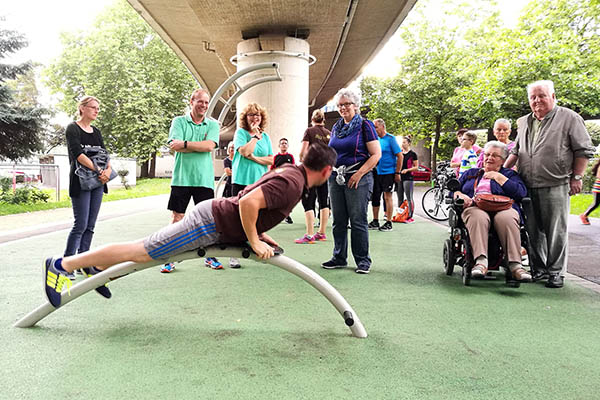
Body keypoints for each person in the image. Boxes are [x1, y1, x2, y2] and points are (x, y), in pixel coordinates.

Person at [43, 144, 338, 308]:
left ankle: (93, 271)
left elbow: (251, 198)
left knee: (143, 251)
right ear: (326, 170)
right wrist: (254, 240)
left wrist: (258, 234)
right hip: (209, 223)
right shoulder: (293, 183)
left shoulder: (290, 171)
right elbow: (248, 203)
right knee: (142, 251)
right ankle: (63, 264)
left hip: (214, 219)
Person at [504, 80, 595, 288]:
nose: (537, 100)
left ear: (553, 96)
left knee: (556, 231)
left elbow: (583, 151)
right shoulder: (524, 121)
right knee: (533, 230)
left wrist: (577, 177)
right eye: (533, 97)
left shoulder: (570, 118)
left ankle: (556, 272)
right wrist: (503, 173)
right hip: (527, 183)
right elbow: (516, 151)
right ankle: (540, 269)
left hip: (556, 183)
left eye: (541, 95)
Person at [161, 89, 222, 273]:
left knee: (207, 220)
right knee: (177, 218)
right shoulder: (178, 121)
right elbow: (175, 146)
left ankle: (210, 256)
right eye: (200, 102)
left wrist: (186, 144)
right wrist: (198, 146)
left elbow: (209, 146)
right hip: (182, 178)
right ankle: (169, 257)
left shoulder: (212, 124)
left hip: (204, 180)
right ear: (191, 101)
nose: (203, 105)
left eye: (206, 102)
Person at [322, 88, 381, 274]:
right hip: (336, 177)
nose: (343, 108)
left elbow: (376, 154)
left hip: (358, 178)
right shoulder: (336, 128)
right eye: (340, 105)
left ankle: (363, 260)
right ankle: (339, 257)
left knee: (358, 220)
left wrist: (359, 174)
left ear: (356, 105)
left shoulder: (365, 125)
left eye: (347, 104)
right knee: (338, 220)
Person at [453, 141, 531, 281]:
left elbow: (521, 193)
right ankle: (481, 262)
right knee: (478, 216)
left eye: (495, 155)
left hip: (504, 208)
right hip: (475, 207)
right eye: (487, 154)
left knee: (507, 218)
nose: (489, 158)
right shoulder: (472, 173)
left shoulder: (510, 174)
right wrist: (460, 194)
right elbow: (454, 190)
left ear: (503, 160)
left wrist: (499, 177)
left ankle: (515, 265)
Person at [63, 95, 112, 298]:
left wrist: (107, 170)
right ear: (82, 108)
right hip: (81, 182)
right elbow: (77, 154)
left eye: (98, 108)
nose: (96, 111)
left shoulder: (97, 132)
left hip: (97, 183)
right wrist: (99, 169)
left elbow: (104, 153)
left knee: (91, 225)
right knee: (80, 224)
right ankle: (67, 264)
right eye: (93, 107)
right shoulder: (72, 128)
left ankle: (84, 263)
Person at [295, 109, 331, 244]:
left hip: (311, 172)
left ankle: (309, 234)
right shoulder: (329, 134)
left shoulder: (309, 131)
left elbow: (303, 152)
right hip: (324, 171)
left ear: (312, 119)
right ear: (323, 119)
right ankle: (321, 232)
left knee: (308, 201)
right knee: (323, 200)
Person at [231, 103, 274, 196]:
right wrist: (255, 136)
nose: (255, 117)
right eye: (250, 115)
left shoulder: (266, 137)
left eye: (257, 115)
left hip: (260, 181)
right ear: (245, 118)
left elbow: (271, 160)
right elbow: (245, 152)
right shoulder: (240, 133)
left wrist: (254, 158)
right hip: (241, 181)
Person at [368, 118, 402, 232]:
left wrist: (397, 172)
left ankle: (389, 221)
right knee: (375, 196)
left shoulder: (390, 139)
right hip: (376, 172)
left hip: (388, 172)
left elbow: (400, 156)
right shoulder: (375, 140)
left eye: (376, 127)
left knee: (387, 196)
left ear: (382, 127)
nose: (374, 129)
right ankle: (375, 220)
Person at [272, 137, 295, 223]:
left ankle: (287, 215)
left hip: (288, 181)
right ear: (279, 145)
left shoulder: (290, 156)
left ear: (288, 145)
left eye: (285, 143)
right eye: (282, 143)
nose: (284, 145)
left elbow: (293, 168)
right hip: (277, 181)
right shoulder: (275, 157)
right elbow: (272, 169)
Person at [397, 136, 419, 224]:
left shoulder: (413, 154)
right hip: (399, 177)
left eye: (404, 142)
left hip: (408, 178)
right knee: (399, 197)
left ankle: (410, 215)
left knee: (409, 197)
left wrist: (407, 170)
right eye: (402, 142)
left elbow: (416, 167)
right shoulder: (399, 153)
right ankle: (400, 214)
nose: (403, 144)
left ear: (409, 143)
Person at [580, 159, 600, 225]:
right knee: (595, 204)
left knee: (596, 203)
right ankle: (584, 215)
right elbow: (598, 176)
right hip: (598, 188)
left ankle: (584, 215)